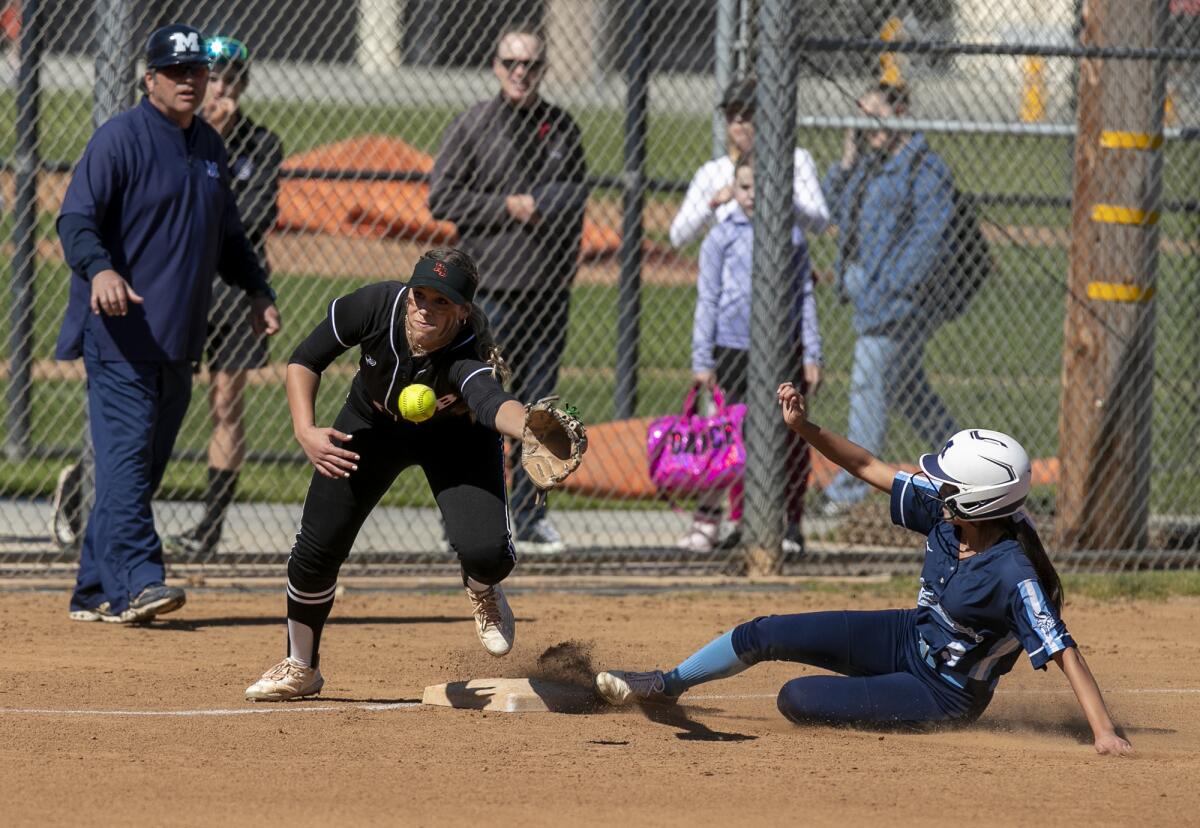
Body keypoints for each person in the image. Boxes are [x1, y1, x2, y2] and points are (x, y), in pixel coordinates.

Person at [593, 386, 1135, 757]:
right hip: (907, 635)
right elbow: (865, 465)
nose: (935, 486)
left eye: (948, 484)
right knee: (766, 631)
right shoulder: (951, 513)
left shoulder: (1013, 572)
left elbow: (1063, 648)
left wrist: (1105, 734)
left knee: (796, 698)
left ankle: (881, 692)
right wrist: (804, 426)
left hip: (943, 695)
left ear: (976, 502)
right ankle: (667, 684)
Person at [55, 24, 281, 624]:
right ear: (148, 78)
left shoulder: (209, 145)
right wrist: (100, 271)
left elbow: (229, 235)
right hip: (121, 336)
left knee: (142, 470)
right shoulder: (119, 139)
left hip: (181, 339)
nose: (189, 80)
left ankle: (93, 590)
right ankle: (141, 584)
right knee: (127, 462)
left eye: (196, 71)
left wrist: (257, 290)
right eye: (175, 71)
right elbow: (75, 220)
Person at [245, 248, 542, 701]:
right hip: (371, 426)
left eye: (441, 302)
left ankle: (482, 588)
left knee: (487, 552)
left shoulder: (467, 352)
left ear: (462, 312)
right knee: (315, 548)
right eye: (420, 295)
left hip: (454, 440)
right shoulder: (374, 306)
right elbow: (305, 359)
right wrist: (305, 430)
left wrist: (529, 428)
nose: (425, 308)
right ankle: (301, 666)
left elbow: (489, 400)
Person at [428, 23, 588, 555]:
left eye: (531, 65)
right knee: (479, 408)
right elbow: (441, 197)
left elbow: (574, 194)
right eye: (511, 63)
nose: (521, 73)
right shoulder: (474, 125)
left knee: (542, 411)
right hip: (490, 293)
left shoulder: (561, 126)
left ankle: (532, 516)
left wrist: (543, 203)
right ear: (496, 67)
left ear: (543, 70)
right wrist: (507, 206)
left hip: (546, 292)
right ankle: (469, 519)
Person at [163, 35, 284, 559]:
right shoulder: (173, 136)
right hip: (179, 283)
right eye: (215, 75)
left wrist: (224, 143)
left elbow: (251, 219)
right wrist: (207, 137)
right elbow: (170, 205)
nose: (224, 86)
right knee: (159, 400)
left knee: (226, 403)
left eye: (234, 76)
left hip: (236, 286)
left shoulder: (263, 144)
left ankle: (208, 529)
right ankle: (103, 502)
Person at [819, 82, 958, 515]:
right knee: (908, 392)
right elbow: (829, 212)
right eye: (860, 117)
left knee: (868, 384)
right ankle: (967, 471)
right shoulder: (868, 165)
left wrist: (892, 285)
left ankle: (851, 489)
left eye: (873, 115)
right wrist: (846, 159)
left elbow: (929, 238)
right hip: (869, 297)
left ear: (899, 113)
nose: (866, 126)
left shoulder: (923, 167)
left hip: (900, 303)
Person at [680, 150, 823, 555]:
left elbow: (805, 296)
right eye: (744, 186)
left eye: (762, 187)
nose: (752, 195)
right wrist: (702, 359)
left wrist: (812, 352)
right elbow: (707, 299)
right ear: (733, 189)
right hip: (733, 348)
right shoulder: (721, 237)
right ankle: (745, 523)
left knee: (791, 435)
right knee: (738, 438)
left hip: (782, 349)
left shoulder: (791, 236)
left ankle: (791, 523)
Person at [668, 75, 828, 250]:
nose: (737, 119)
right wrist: (713, 204)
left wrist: (782, 198)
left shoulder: (795, 159)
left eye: (746, 112)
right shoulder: (711, 172)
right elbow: (678, 237)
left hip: (782, 262)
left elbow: (820, 223)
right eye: (731, 113)